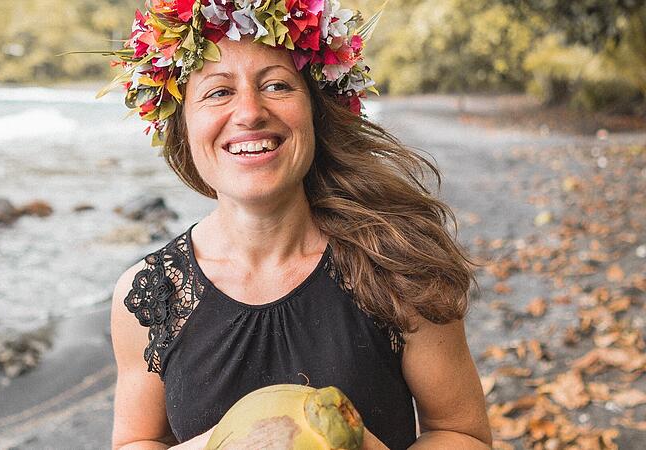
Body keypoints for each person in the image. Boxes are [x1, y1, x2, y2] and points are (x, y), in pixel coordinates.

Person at [108, 1, 492, 449]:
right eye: (218, 92)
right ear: (183, 127)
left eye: (276, 85)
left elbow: (462, 433)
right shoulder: (151, 292)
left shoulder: (395, 263)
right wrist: (239, 439)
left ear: (315, 112)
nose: (250, 113)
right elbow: (136, 441)